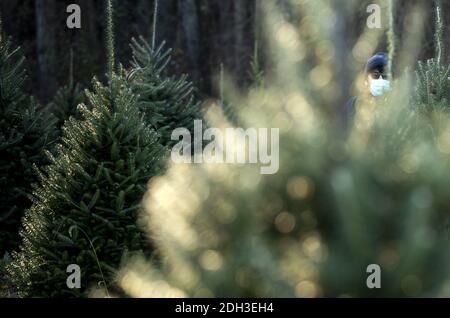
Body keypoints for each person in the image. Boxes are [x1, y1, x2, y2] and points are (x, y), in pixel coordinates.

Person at [345, 52, 391, 122]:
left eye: (385, 75)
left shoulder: (396, 107)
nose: (381, 79)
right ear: (366, 79)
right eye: (376, 75)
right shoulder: (353, 105)